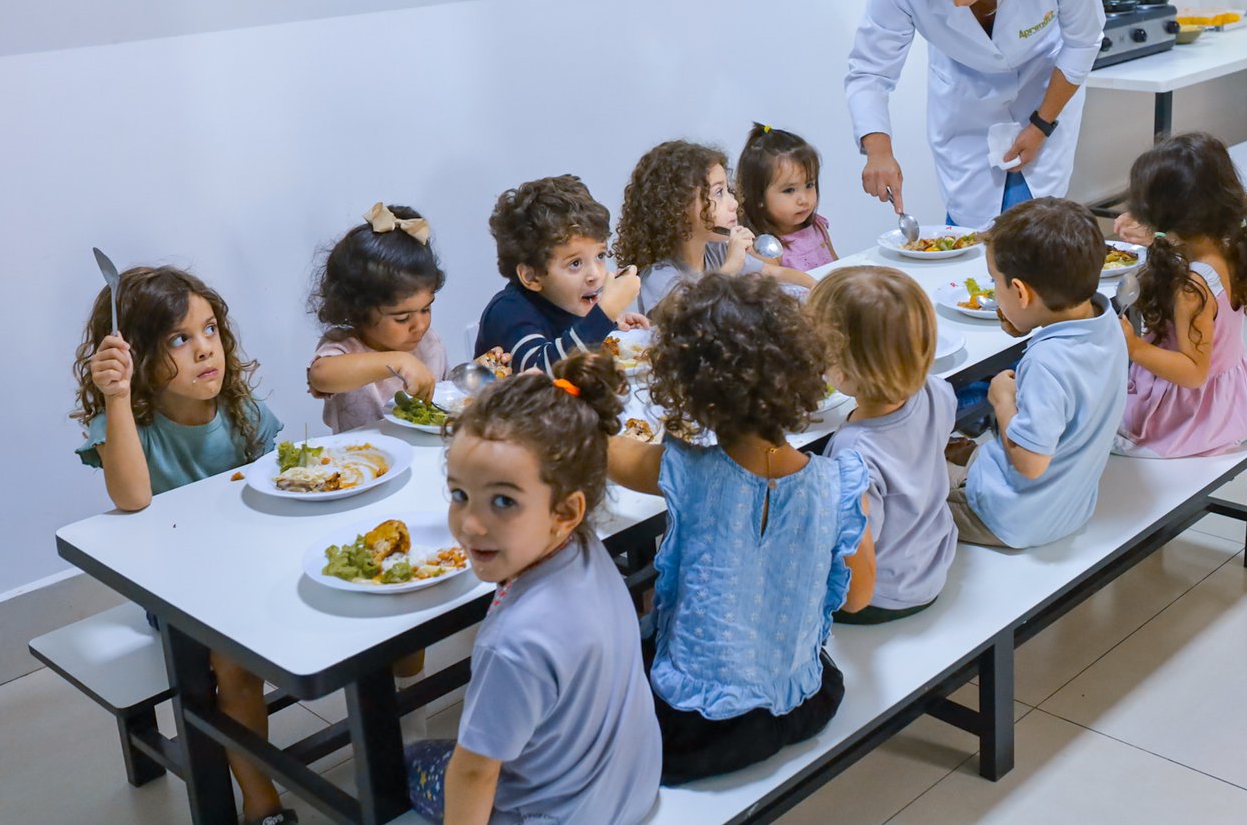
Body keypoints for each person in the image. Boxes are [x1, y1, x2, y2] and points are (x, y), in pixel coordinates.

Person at [607, 272, 874, 784]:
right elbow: (859, 598)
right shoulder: (839, 483)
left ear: (691, 395)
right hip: (799, 701)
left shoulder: (683, 468)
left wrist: (582, 395)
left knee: (619, 655)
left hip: (696, 726)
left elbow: (609, 453)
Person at [72, 266, 293, 825]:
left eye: (210, 329)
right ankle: (262, 801)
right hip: (179, 592)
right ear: (138, 355)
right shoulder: (130, 426)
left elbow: (274, 491)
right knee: (236, 665)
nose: (204, 349)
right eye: (179, 339)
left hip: (250, 569)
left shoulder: (241, 411)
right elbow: (132, 498)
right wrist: (116, 397)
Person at [406, 351, 660, 825]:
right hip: (630, 793)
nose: (470, 524)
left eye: (503, 501)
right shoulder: (583, 547)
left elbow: (475, 773)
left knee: (410, 763)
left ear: (565, 510)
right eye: (460, 494)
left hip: (555, 816)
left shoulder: (513, 644)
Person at [847, 0, 1104, 228]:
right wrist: (878, 150)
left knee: (1036, 221)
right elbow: (870, 69)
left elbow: (1084, 41)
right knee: (970, 221)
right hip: (964, 92)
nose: (958, 1)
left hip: (1043, 82)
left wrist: (1042, 124)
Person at [950, 199, 1127, 549]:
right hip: (1069, 505)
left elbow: (1031, 463)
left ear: (1020, 292)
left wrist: (1002, 401)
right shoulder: (1106, 321)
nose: (995, 293)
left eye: (995, 283)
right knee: (950, 454)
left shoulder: (1046, 362)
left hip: (1011, 518)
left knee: (903, 505)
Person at [808, 267, 958, 623]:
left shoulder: (853, 452)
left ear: (840, 374)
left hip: (883, 596)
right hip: (932, 561)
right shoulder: (936, 390)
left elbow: (855, 557)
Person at [1113, 133, 1247, 457]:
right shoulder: (1230, 245)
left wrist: (1134, 346)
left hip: (1189, 415)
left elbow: (1194, 373)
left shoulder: (1192, 288)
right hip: (1228, 401)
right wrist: (1155, 235)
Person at [614, 140, 814, 317]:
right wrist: (731, 266)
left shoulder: (717, 251)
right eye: (719, 193)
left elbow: (773, 273)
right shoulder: (657, 276)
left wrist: (815, 286)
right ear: (678, 209)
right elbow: (692, 316)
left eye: (728, 190)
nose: (734, 203)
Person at [476, 174, 647, 373]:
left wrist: (611, 322)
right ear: (532, 277)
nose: (595, 275)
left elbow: (574, 337)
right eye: (575, 263)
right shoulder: (508, 312)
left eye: (600, 255)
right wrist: (605, 312)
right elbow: (541, 372)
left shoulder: (566, 300)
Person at [307, 203, 448, 433]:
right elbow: (320, 376)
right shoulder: (346, 347)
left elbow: (447, 399)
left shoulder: (430, 343)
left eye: (426, 309)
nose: (420, 325)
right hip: (362, 454)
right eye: (402, 318)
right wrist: (399, 362)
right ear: (359, 312)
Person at [736, 122, 837, 272]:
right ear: (758, 198)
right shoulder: (766, 248)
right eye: (789, 190)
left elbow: (838, 268)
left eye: (809, 185)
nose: (803, 200)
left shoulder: (818, 227)